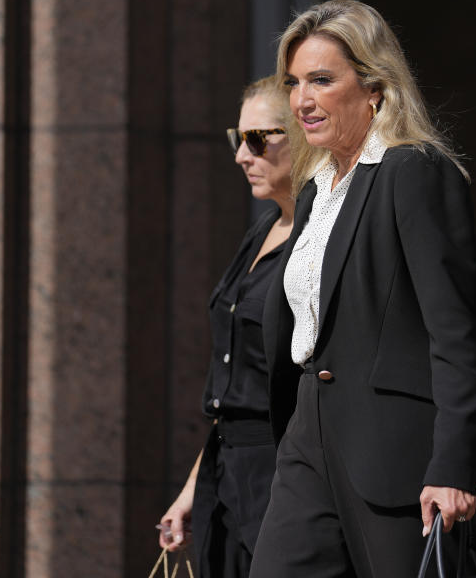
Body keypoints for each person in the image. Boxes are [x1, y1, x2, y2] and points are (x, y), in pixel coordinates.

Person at [250, 0, 476, 578]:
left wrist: (455, 462)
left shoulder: (412, 171)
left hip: (393, 451)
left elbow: (454, 332)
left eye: (322, 80)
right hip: (308, 437)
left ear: (374, 86)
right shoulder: (316, 189)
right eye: (294, 83)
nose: (302, 100)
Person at [158, 75, 303, 578]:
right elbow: (235, 391)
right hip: (227, 472)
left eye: (258, 139)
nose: (243, 155)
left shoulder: (322, 238)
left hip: (283, 475)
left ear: (304, 134)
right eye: (236, 139)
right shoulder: (263, 227)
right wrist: (192, 489)